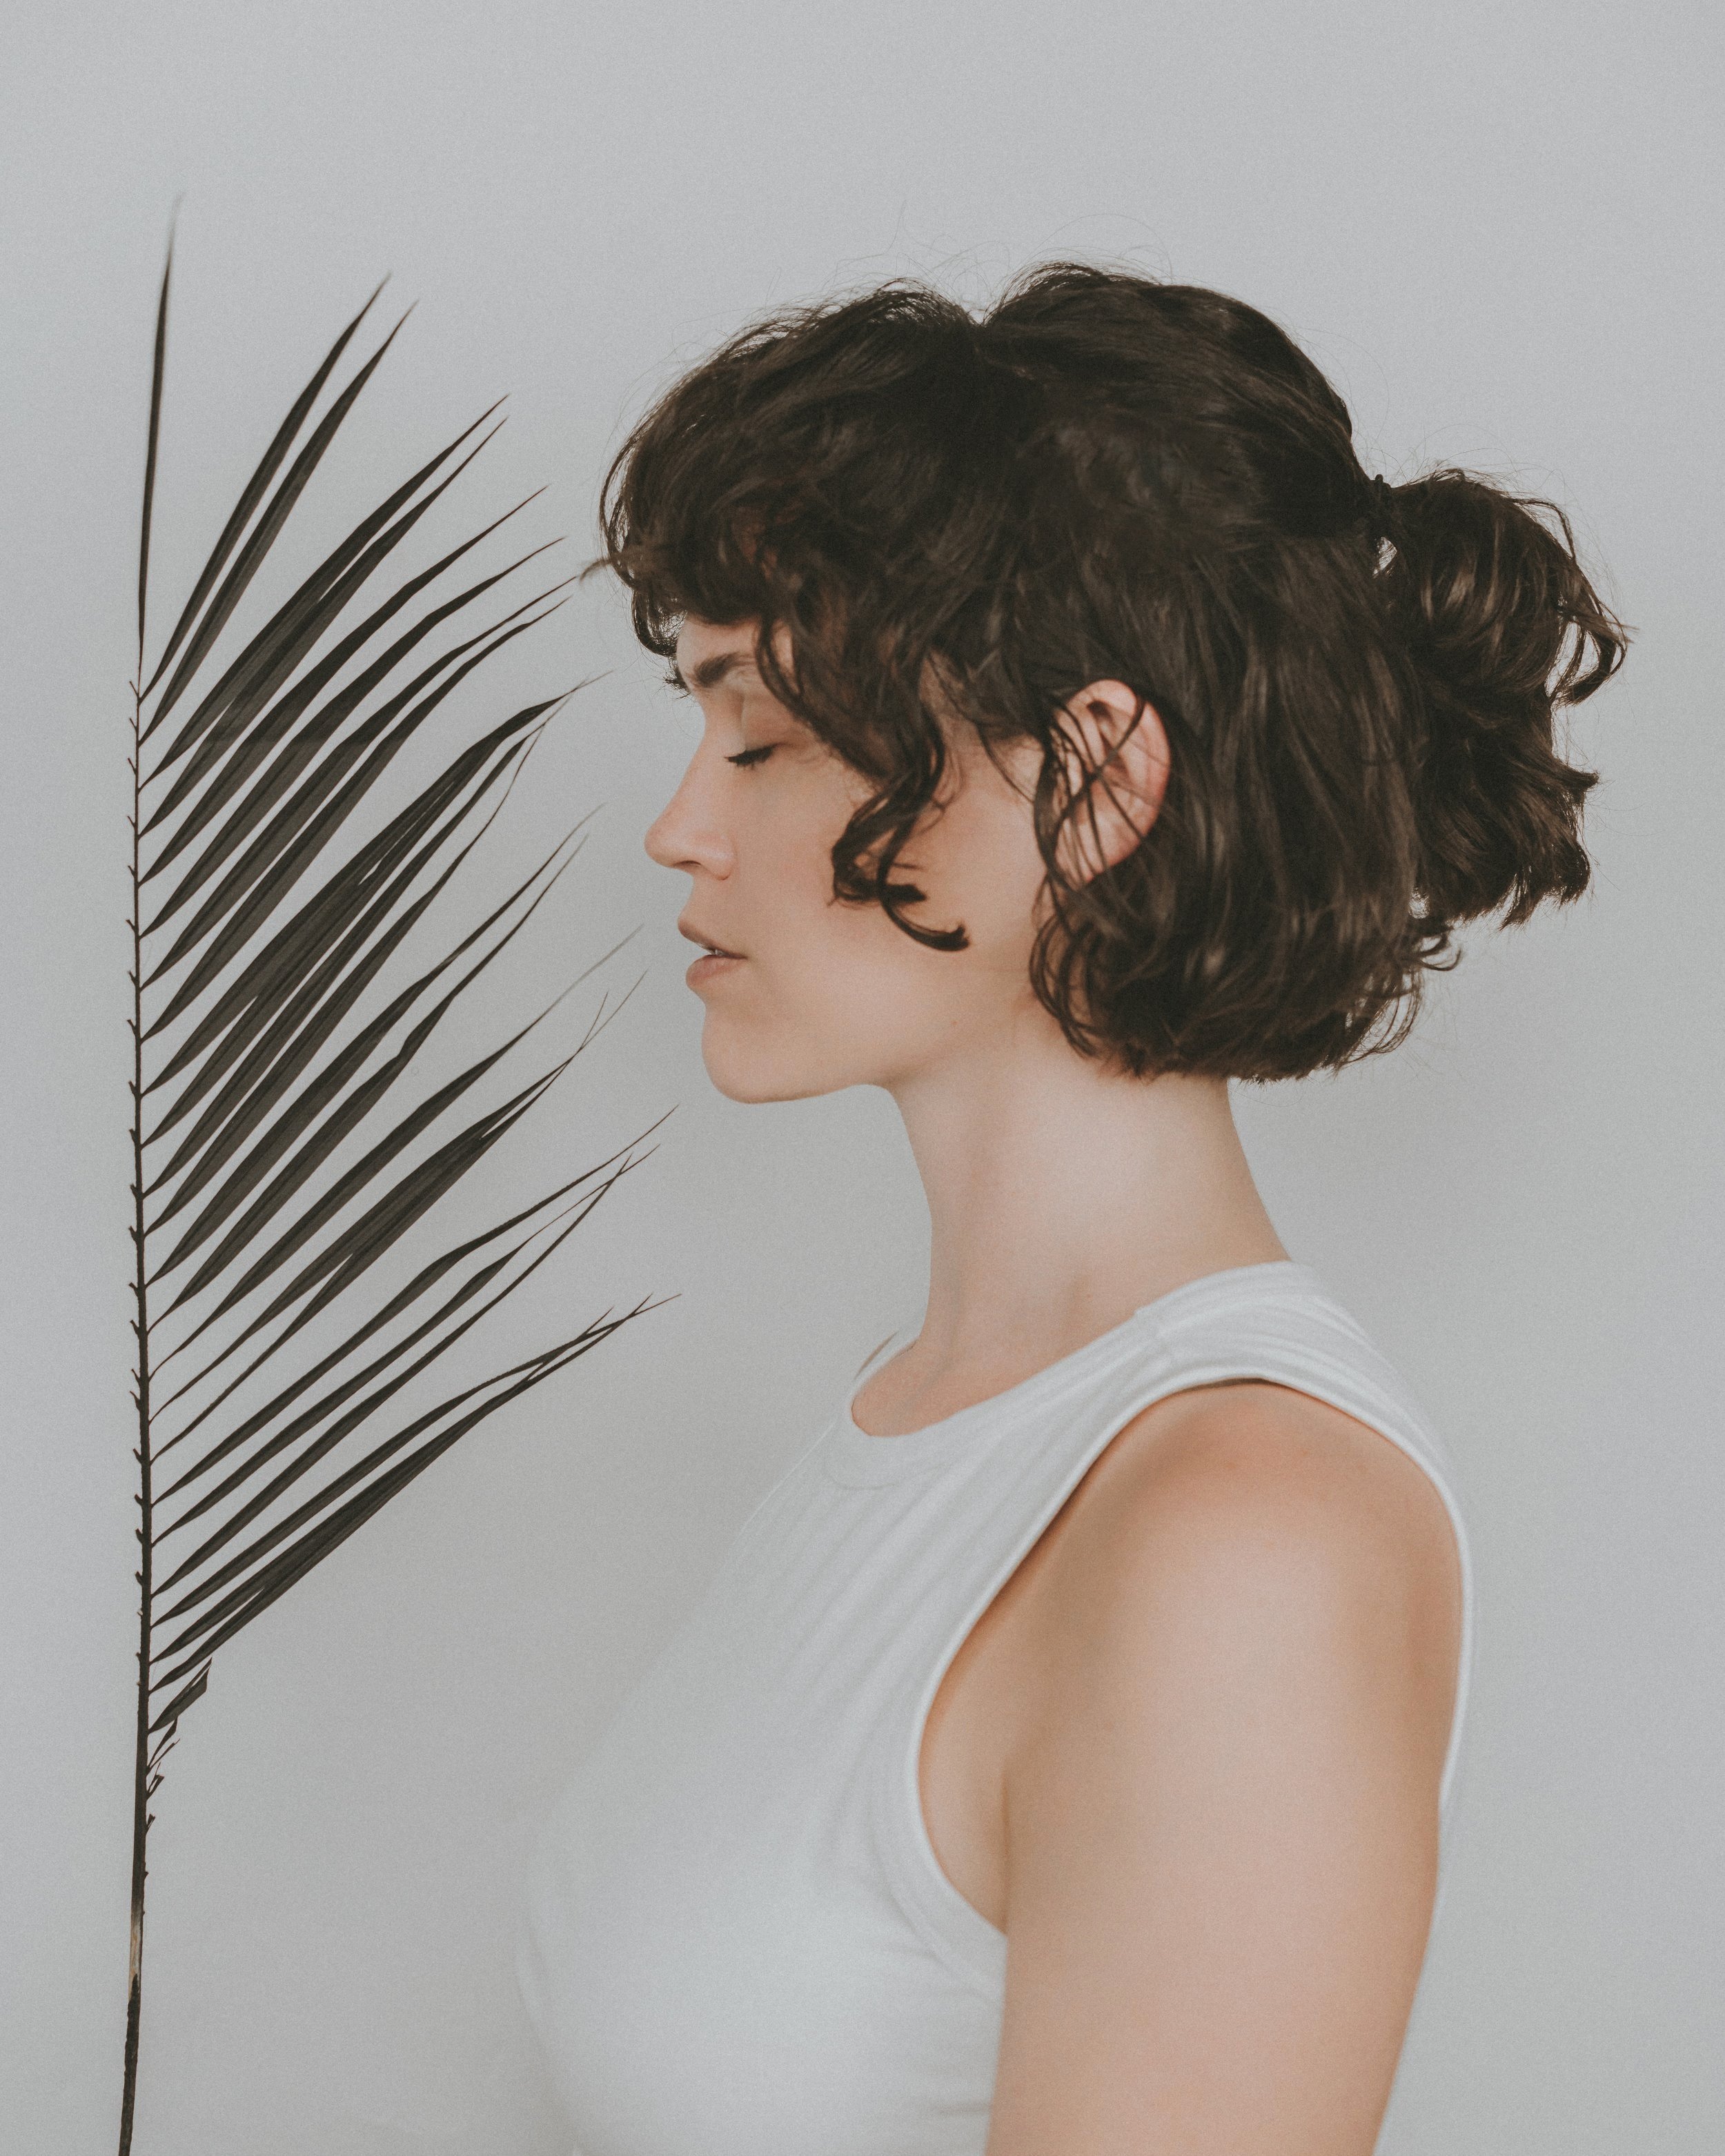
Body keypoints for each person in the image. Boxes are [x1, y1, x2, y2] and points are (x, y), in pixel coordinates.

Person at [517, 263, 1626, 2156]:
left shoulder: (1236, 1539)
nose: (680, 828)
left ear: (1094, 780)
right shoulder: (919, 1424)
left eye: (766, 737)